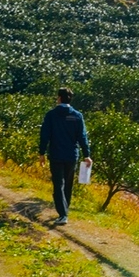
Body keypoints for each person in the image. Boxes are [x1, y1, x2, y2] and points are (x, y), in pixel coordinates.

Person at [39, 87, 92, 225]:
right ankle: (65, 211)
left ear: (59, 98)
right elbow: (82, 136)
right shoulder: (76, 115)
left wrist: (41, 152)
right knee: (68, 184)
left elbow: (45, 135)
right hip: (71, 155)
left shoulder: (51, 115)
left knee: (58, 184)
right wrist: (87, 154)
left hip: (56, 154)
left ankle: (63, 214)